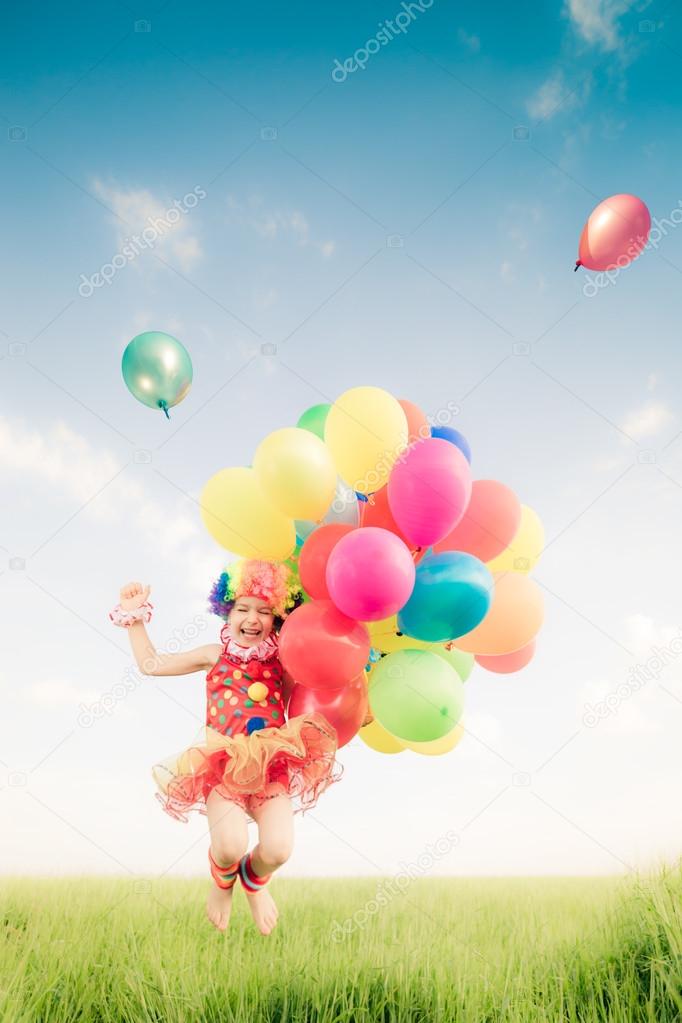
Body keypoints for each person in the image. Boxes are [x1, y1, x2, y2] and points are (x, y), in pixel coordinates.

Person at [110, 558, 365, 935]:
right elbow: (151, 664)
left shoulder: (284, 660)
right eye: (242, 608)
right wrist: (135, 618)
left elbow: (310, 696)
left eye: (264, 611)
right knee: (229, 846)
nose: (252, 618)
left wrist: (356, 701)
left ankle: (254, 881)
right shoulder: (215, 654)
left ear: (277, 621)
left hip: (272, 765)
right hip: (223, 765)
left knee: (278, 850)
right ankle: (223, 881)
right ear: (226, 612)